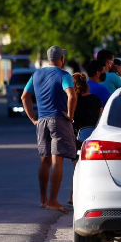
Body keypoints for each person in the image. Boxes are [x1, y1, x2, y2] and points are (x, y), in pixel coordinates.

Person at [20, 46, 76, 213]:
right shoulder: (64, 75)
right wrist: (71, 116)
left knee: (44, 160)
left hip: (42, 121)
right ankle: (53, 201)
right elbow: (72, 96)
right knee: (57, 160)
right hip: (59, 120)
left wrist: (33, 118)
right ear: (62, 59)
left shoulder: (36, 74)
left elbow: (25, 96)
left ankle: (43, 200)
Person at [70, 72, 103, 204]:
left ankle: (73, 196)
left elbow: (69, 117)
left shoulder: (72, 100)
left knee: (77, 169)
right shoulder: (95, 99)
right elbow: (101, 117)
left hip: (76, 137)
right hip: (93, 138)